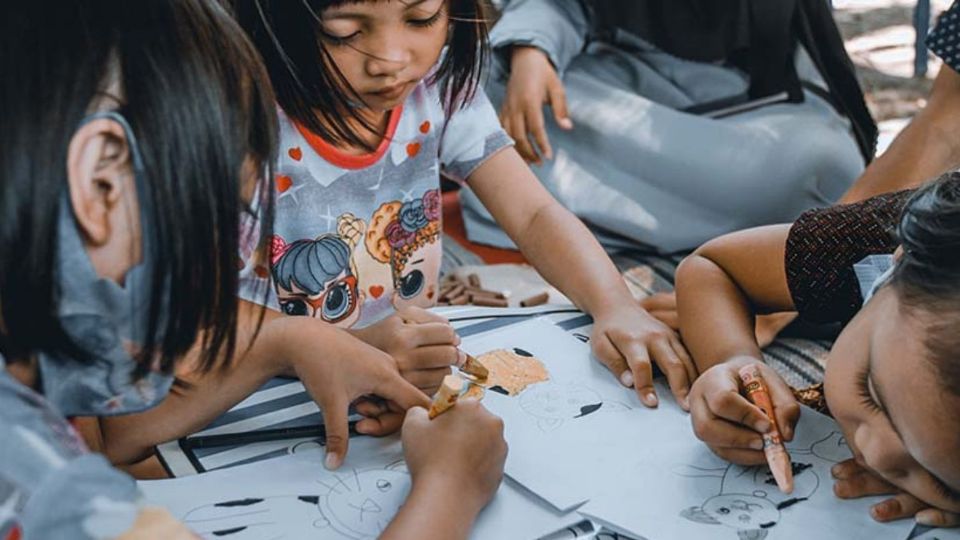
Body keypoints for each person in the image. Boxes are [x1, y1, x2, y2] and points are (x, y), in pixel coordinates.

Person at [0, 1, 506, 537]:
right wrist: (449, 488)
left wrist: (285, 340)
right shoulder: (34, 477)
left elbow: (106, 440)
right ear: (100, 183)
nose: (225, 272)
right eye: (219, 223)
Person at [230, 0, 697, 409]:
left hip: (406, 372)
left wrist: (614, 304)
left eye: (421, 17)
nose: (391, 59)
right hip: (262, 388)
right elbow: (203, 320)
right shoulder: (242, 123)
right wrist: (356, 345)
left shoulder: (439, 85)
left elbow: (533, 214)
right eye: (345, 31)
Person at [459, 0, 875, 253]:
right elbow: (565, 9)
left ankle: (569, 218)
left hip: (751, 111)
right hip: (624, 83)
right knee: (483, 78)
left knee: (820, 164)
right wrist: (533, 51)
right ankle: (559, 217)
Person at [674, 173, 960, 528]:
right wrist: (734, 358)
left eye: (938, 479)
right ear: (895, 265)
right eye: (869, 390)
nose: (874, 452)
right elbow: (712, 268)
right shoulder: (884, 239)